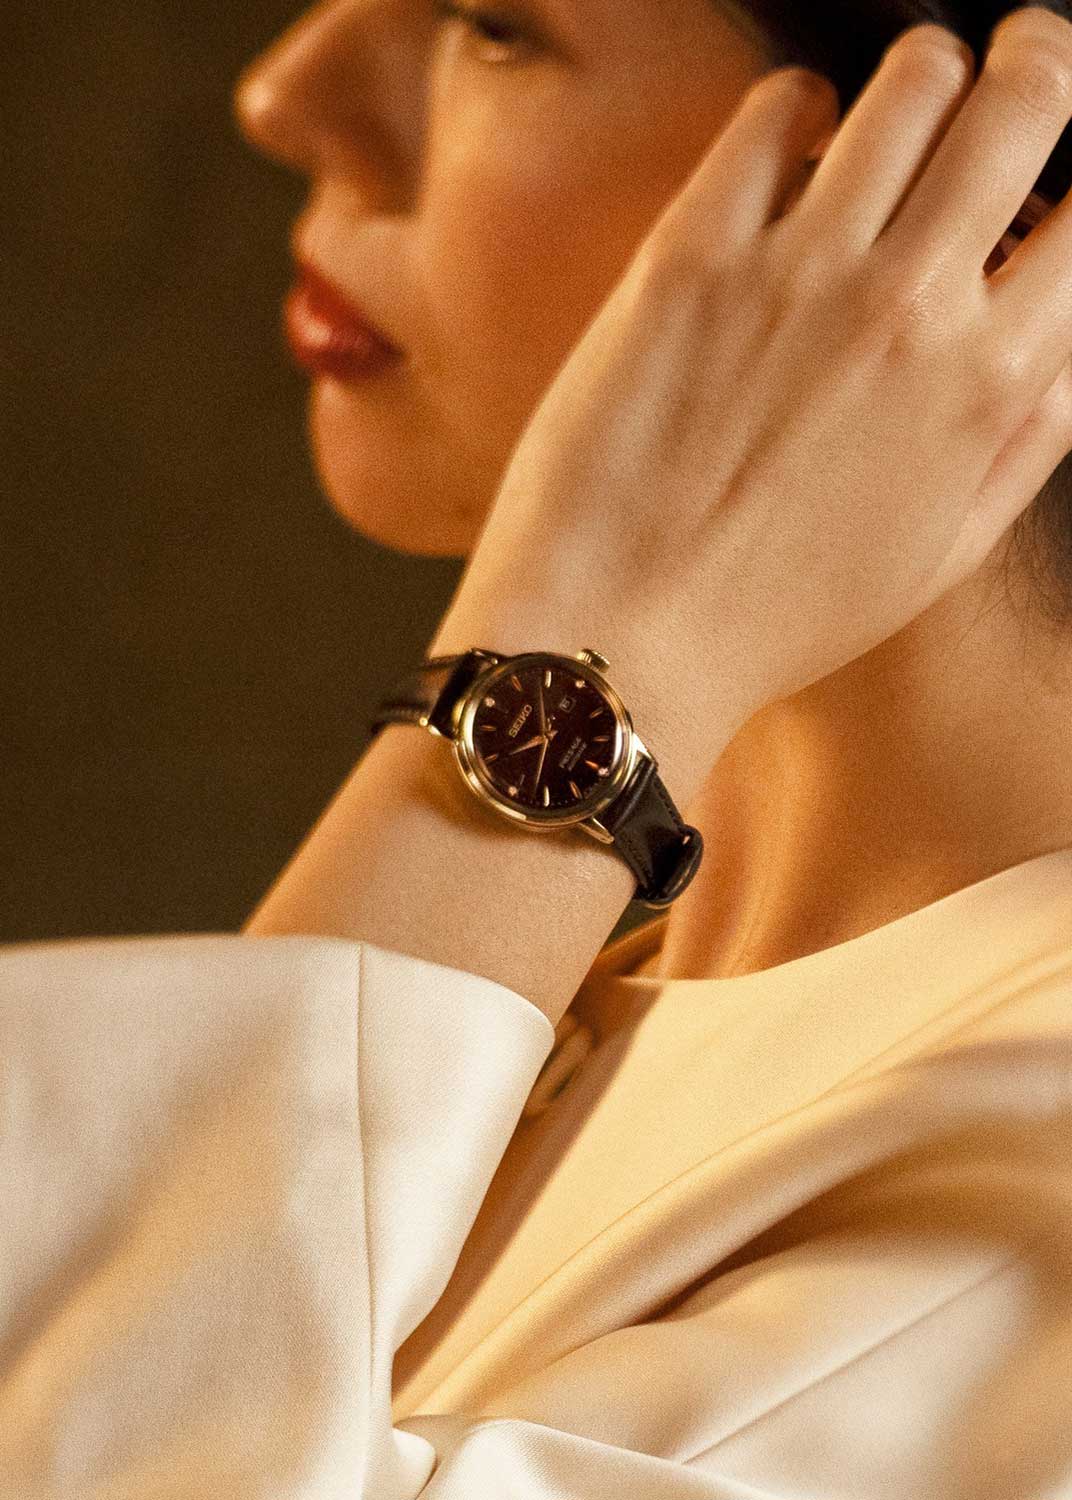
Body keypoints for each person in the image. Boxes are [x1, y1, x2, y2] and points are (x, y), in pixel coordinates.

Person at [3, 1, 1072, 1495]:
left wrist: (594, 625)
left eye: (492, 22)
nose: (286, 94)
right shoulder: (573, 996)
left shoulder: (1028, 1199)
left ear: (976, 219)